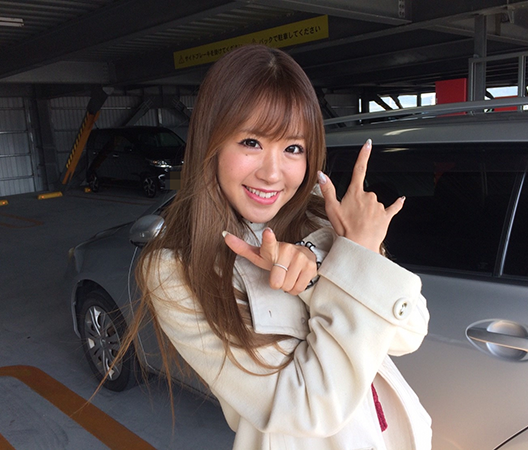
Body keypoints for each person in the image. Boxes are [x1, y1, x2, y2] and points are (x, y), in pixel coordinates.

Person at [132, 44, 432, 449]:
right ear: (210, 143)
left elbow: (410, 334)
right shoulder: (175, 271)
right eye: (251, 142)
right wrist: (340, 267)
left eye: (293, 148)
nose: (273, 173)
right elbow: (308, 408)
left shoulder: (322, 216)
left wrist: (354, 254)